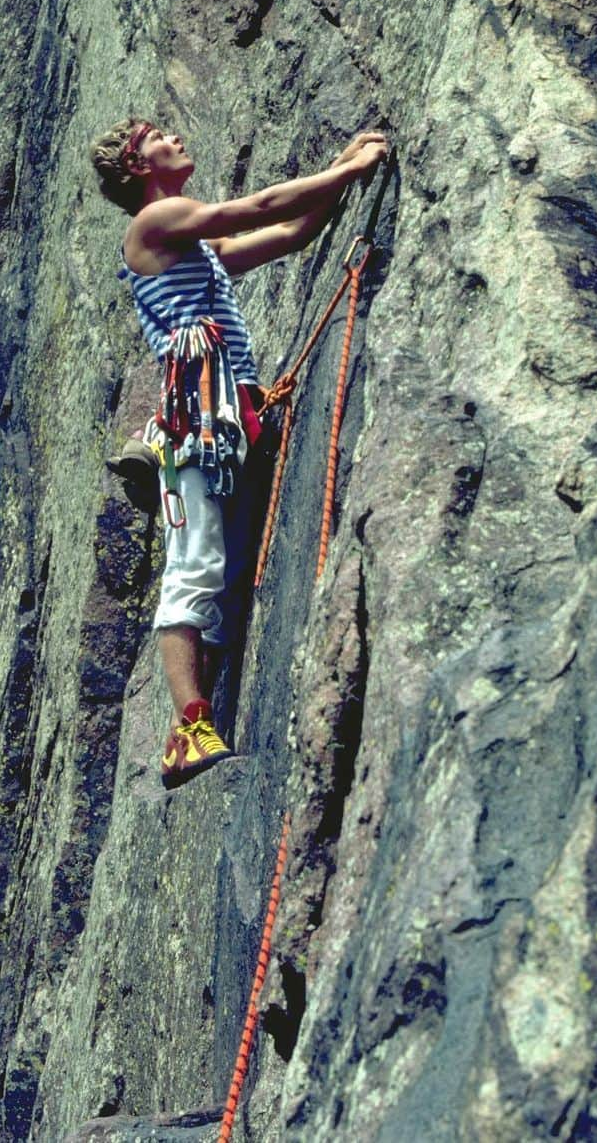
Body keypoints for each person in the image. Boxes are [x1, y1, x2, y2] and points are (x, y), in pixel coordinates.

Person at [90, 119, 389, 788]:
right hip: (196, 419)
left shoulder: (193, 246)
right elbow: (251, 210)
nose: (175, 137)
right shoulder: (157, 220)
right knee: (194, 565)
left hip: (224, 416)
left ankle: (202, 703)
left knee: (217, 571)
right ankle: (190, 727)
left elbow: (287, 234)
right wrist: (345, 171)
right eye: (158, 135)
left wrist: (342, 167)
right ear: (138, 166)